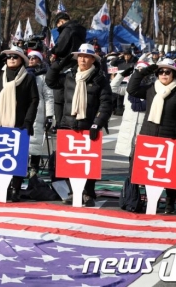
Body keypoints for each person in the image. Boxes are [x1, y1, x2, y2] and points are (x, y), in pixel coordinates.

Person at [46, 43, 113, 207]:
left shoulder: (100, 79)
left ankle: (89, 193)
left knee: (88, 162)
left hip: (89, 127)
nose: (83, 59)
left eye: (87, 56)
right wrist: (61, 62)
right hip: (68, 125)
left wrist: (97, 124)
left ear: (93, 60)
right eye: (80, 56)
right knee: (69, 161)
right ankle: (73, 192)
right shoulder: (69, 76)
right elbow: (50, 80)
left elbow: (106, 104)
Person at [127, 59, 176, 214]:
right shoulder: (150, 89)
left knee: (169, 171)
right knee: (145, 171)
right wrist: (145, 70)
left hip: (170, 137)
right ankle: (147, 201)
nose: (164, 74)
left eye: (168, 72)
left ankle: (170, 202)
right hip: (148, 135)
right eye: (161, 72)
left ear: (174, 74)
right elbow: (131, 89)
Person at [0, 46, 39, 201]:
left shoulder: (28, 77)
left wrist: (28, 121)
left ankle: (15, 188)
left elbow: (34, 100)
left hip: (19, 122)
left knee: (16, 157)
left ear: (22, 60)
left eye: (15, 57)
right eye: (9, 57)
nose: (11, 59)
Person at [114, 61, 152, 161]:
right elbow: (113, 88)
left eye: (142, 71)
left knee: (142, 156)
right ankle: (131, 176)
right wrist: (121, 75)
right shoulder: (128, 89)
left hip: (144, 128)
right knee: (131, 156)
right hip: (129, 128)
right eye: (138, 71)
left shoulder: (152, 89)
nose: (140, 73)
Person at [26, 50, 54, 174]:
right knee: (22, 139)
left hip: (38, 110)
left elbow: (49, 96)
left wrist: (49, 115)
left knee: (36, 140)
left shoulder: (43, 76)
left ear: (40, 60)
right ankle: (21, 165)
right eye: (29, 57)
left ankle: (34, 166)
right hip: (23, 109)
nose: (31, 60)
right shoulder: (22, 73)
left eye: (34, 58)